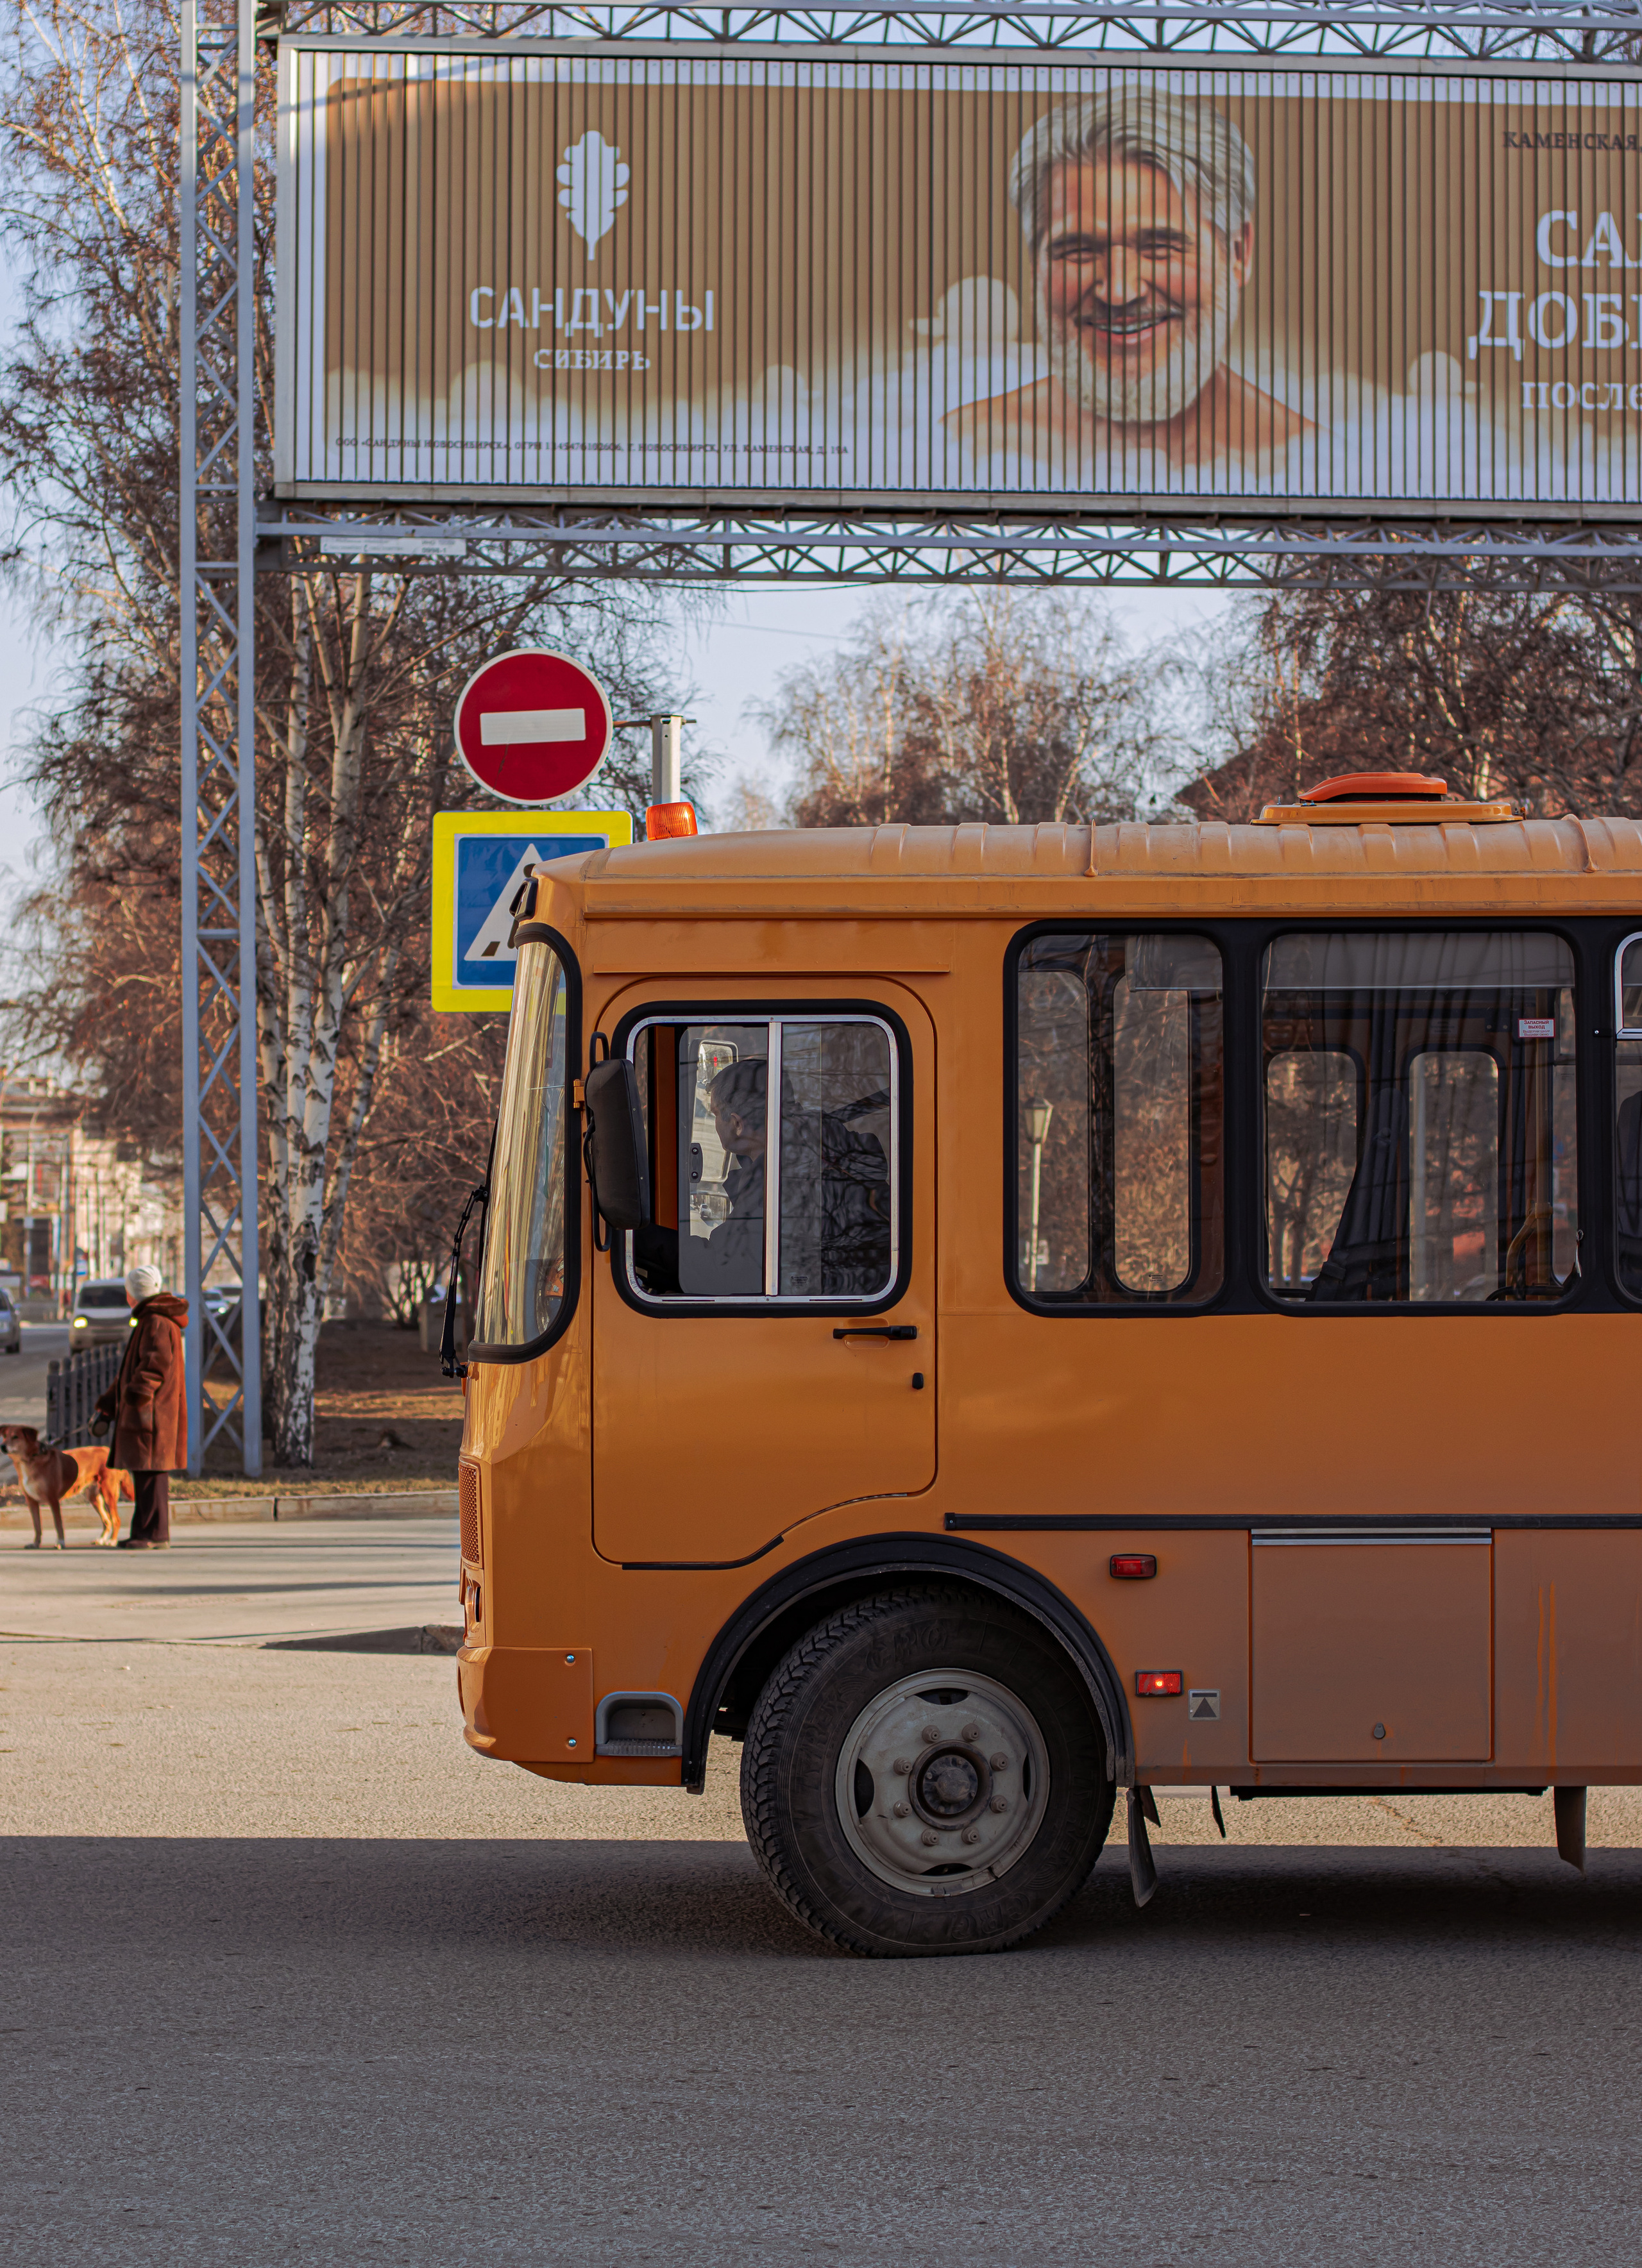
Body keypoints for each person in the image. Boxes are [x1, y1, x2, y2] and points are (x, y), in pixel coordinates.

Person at [945, 90, 1311, 480]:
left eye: (1159, 248)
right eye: (1080, 251)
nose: (1118, 291)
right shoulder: (956, 450)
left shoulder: (1317, 466)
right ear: (1036, 265)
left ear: (1238, 253)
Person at [94, 1264, 188, 1549]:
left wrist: (136, 1398)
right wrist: (110, 1406)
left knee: (151, 1473)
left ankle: (154, 1535)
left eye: (128, 1290)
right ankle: (146, 1532)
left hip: (152, 1415)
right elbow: (130, 1372)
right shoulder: (152, 1319)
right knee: (146, 1473)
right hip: (150, 1413)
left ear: (135, 1293)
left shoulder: (156, 1322)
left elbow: (154, 1367)